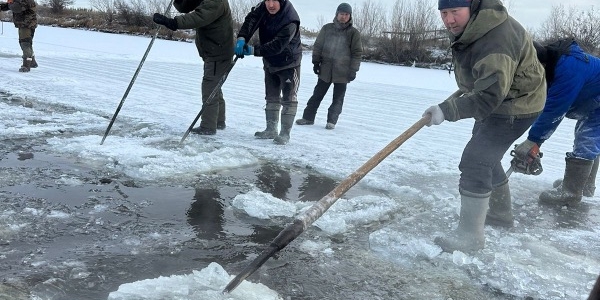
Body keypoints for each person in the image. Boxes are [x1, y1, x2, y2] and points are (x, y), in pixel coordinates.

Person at [422, 0, 546, 253]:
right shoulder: (477, 26)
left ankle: (470, 238)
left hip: (515, 105)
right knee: (486, 156)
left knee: (476, 160)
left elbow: (490, 96)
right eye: (444, 13)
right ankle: (500, 214)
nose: (449, 20)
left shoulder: (495, 39)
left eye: (454, 12)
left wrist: (448, 110)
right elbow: (485, 79)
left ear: (471, 7)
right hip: (504, 98)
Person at [514, 38, 600, 207]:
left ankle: (571, 193)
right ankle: (583, 185)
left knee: (587, 137)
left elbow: (554, 109)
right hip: (594, 100)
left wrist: (534, 140)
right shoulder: (554, 65)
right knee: (588, 136)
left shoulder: (568, 68)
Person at [153, 0, 234, 135]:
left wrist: (173, 23)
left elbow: (199, 17)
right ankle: (218, 121)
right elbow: (185, 7)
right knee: (214, 86)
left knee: (210, 87)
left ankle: (208, 126)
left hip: (219, 52)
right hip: (212, 50)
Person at [235, 0, 301, 145]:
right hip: (270, 61)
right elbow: (251, 20)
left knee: (289, 98)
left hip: (288, 62)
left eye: (274, 1)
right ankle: (271, 129)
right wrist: (242, 38)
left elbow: (278, 45)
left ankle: (285, 133)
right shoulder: (262, 7)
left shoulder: (290, 20)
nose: (271, 5)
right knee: (271, 95)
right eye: (268, 0)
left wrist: (254, 50)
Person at [295, 3, 362, 130]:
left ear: (350, 16)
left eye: (346, 14)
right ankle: (308, 118)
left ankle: (331, 121)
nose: (343, 17)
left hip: (343, 71)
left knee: (338, 98)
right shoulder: (327, 28)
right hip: (325, 69)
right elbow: (318, 46)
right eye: (341, 14)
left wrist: (353, 70)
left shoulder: (354, 33)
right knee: (317, 95)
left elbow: (357, 53)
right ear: (337, 14)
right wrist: (316, 62)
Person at [0, 0, 38, 72]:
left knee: (25, 43)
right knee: (26, 43)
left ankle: (26, 65)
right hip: (23, 24)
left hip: (27, 25)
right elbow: (9, 6)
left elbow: (16, 8)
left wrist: (10, 2)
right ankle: (32, 62)